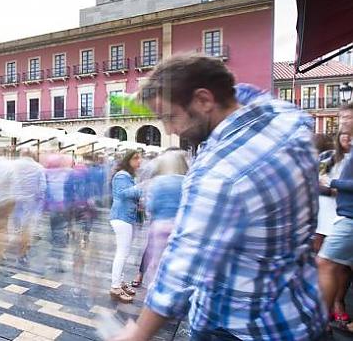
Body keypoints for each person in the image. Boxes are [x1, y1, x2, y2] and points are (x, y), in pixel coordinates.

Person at [113, 55, 326, 340]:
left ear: (203, 100)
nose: (169, 130)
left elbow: (184, 262)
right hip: (299, 310)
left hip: (241, 325)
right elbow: (249, 94)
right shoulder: (287, 118)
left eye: (169, 116)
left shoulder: (220, 170)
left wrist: (139, 332)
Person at [317, 103, 353, 333]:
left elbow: (328, 181)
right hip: (331, 213)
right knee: (329, 263)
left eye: (347, 116)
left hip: (346, 215)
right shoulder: (329, 157)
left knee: (327, 264)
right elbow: (316, 179)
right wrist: (331, 189)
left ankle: (320, 319)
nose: (343, 120)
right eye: (341, 117)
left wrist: (334, 184)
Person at [132, 150, 188, 289]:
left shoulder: (159, 182)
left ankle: (156, 292)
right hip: (181, 227)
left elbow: (151, 206)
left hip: (160, 226)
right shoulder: (187, 181)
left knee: (156, 263)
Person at [108, 150, 143, 304]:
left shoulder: (126, 176)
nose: (139, 161)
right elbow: (123, 194)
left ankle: (120, 283)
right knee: (122, 253)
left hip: (125, 217)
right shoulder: (122, 175)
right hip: (121, 217)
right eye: (136, 158)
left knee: (124, 252)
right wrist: (142, 187)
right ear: (128, 160)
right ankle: (115, 287)